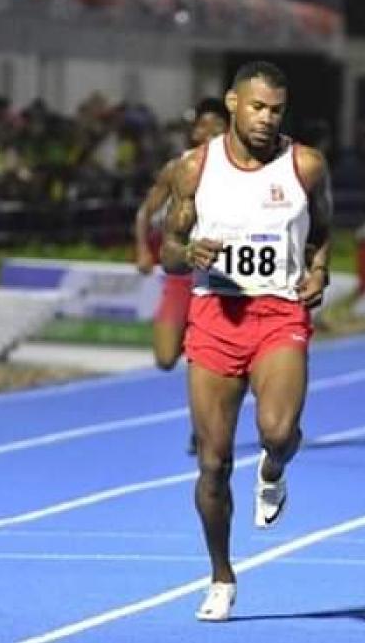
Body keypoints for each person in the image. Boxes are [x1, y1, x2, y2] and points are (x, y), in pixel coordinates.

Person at [160, 61, 331, 622]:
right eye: (257, 107)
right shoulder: (194, 169)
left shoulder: (304, 165)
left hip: (278, 312)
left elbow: (323, 230)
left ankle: (275, 470)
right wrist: (190, 255)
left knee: (277, 432)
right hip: (215, 318)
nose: (266, 118)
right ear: (232, 103)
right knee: (212, 464)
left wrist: (319, 271)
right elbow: (168, 248)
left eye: (276, 110)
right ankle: (220, 576)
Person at [134, 97, 230, 455]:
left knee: (204, 358)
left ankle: (202, 427)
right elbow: (146, 212)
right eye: (201, 126)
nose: (207, 133)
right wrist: (143, 249)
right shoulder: (178, 168)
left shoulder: (243, 172)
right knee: (164, 358)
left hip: (220, 281)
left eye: (215, 126)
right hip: (179, 276)